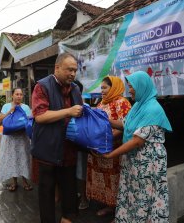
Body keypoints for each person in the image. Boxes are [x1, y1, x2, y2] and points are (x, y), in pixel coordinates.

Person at [103, 71, 172, 222]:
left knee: (144, 196)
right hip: (134, 161)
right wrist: (104, 119)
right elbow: (124, 124)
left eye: (132, 86)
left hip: (147, 163)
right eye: (129, 86)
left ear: (142, 86)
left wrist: (111, 154)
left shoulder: (153, 109)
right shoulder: (138, 106)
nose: (130, 90)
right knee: (132, 194)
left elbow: (137, 141)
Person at [31, 52, 83, 223]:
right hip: (48, 150)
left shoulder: (75, 88)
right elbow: (40, 116)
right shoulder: (42, 86)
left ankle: (67, 218)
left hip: (69, 150)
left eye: (75, 70)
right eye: (69, 70)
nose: (73, 74)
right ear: (57, 68)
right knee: (47, 193)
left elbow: (80, 112)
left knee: (69, 191)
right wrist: (68, 111)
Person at [86, 76, 131, 219]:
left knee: (116, 181)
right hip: (99, 151)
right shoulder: (101, 103)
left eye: (105, 88)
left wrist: (107, 139)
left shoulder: (122, 103)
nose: (102, 91)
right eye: (101, 88)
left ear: (114, 87)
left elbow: (126, 126)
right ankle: (110, 206)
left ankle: (119, 211)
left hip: (114, 151)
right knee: (106, 182)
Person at [0, 88, 32, 192]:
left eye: (21, 94)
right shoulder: (6, 106)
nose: (19, 96)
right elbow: (0, 120)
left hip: (22, 138)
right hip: (10, 139)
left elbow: (29, 121)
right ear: (12, 95)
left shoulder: (25, 107)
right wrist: (10, 112)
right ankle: (14, 182)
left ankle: (25, 181)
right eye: (17, 94)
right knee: (12, 159)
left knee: (23, 158)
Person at [72, 80, 89, 210]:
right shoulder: (64, 105)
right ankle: (74, 195)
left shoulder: (86, 107)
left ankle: (83, 197)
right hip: (67, 145)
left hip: (80, 146)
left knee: (81, 172)